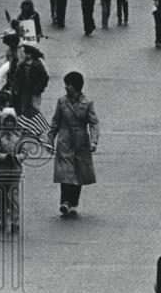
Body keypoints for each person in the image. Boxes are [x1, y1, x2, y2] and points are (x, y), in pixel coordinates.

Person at [48, 71, 100, 218]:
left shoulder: (87, 103)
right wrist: (50, 138)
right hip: (65, 140)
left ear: (75, 86)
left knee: (78, 173)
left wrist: (94, 141)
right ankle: (65, 201)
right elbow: (56, 121)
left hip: (81, 142)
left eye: (68, 85)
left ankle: (73, 202)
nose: (66, 87)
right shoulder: (61, 101)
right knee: (65, 172)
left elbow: (93, 123)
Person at [0, 110, 25, 233]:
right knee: (2, 197)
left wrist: (16, 157)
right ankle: (3, 220)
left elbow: (25, 152)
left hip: (15, 171)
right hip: (1, 172)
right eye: (7, 121)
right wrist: (5, 157)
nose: (9, 123)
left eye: (12, 121)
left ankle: (15, 221)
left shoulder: (19, 136)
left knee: (14, 198)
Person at [13, 44, 49, 113]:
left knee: (35, 108)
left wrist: (39, 88)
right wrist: (17, 89)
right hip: (25, 91)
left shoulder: (38, 64)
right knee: (24, 108)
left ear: (32, 55)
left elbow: (44, 78)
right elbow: (16, 78)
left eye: (28, 54)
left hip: (35, 91)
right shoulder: (22, 65)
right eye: (25, 53)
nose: (26, 55)